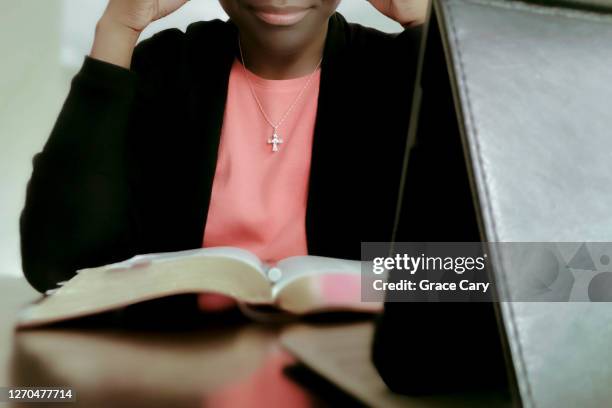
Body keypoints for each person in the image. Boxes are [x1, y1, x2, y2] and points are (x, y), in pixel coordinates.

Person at [20, 0, 425, 305]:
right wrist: (117, 28)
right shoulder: (165, 70)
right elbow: (58, 268)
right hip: (173, 370)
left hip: (358, 370)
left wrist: (435, 29)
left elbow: (471, 278)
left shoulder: (405, 72)